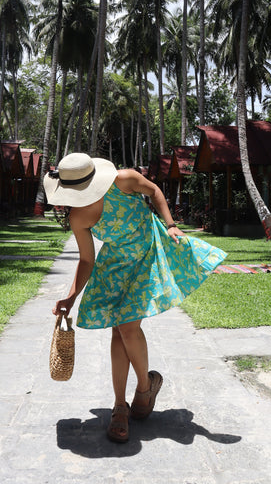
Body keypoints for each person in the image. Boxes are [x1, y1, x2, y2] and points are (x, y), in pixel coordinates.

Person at [44, 152, 227, 443]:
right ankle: (121, 405)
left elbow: (154, 190)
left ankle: (143, 388)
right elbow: (87, 260)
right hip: (115, 267)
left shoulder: (124, 180)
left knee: (128, 327)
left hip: (149, 254)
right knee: (119, 331)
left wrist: (170, 224)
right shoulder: (78, 217)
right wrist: (70, 297)